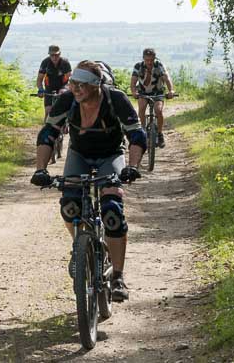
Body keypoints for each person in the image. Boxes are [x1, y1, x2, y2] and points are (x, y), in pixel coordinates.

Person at [30, 60, 147, 302]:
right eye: (74, 83)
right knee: (69, 206)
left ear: (97, 85)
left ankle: (117, 276)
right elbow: (48, 133)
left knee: (112, 212)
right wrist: (40, 169)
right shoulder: (67, 100)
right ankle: (80, 246)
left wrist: (132, 167)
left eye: (82, 84)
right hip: (79, 154)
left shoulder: (115, 99)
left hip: (111, 154)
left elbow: (137, 134)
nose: (76, 88)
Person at [130, 48, 175, 148]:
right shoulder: (138, 66)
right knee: (141, 108)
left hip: (157, 92)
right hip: (143, 92)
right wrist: (134, 92)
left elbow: (167, 78)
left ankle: (159, 133)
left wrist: (171, 90)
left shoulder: (159, 65)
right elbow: (133, 82)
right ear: (143, 59)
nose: (149, 62)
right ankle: (143, 131)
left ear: (154, 58)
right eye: (147, 60)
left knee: (158, 110)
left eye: (151, 60)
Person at [37, 45, 72, 119]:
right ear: (49, 54)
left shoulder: (65, 63)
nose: (54, 57)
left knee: (64, 111)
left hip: (63, 87)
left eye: (57, 55)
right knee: (48, 111)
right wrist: (41, 90)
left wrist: (65, 89)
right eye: (52, 55)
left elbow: (70, 79)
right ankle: (46, 128)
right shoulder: (45, 62)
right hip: (49, 87)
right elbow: (39, 79)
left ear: (60, 54)